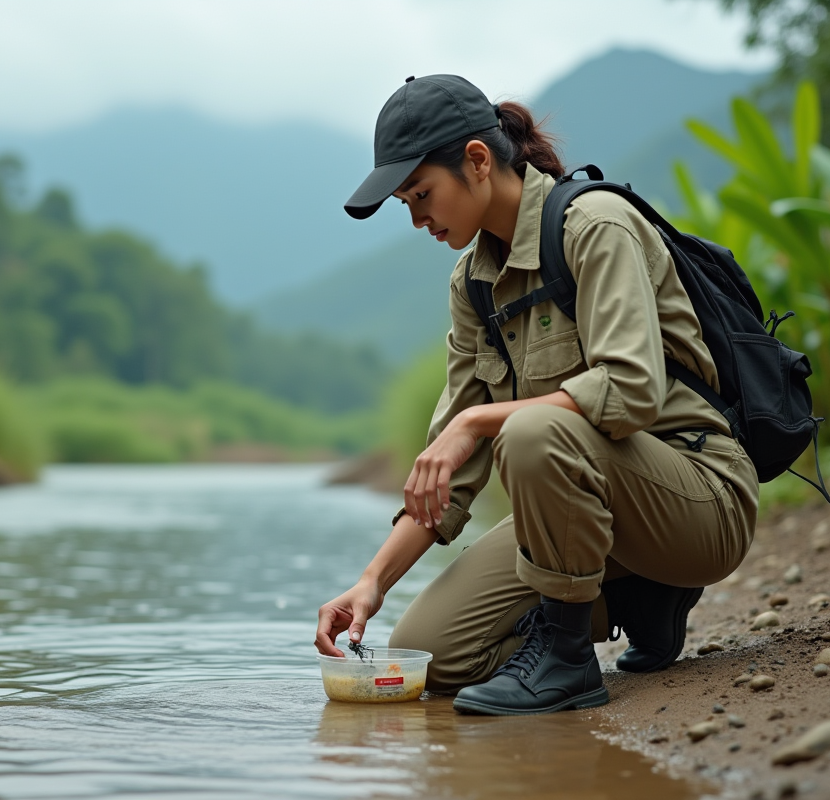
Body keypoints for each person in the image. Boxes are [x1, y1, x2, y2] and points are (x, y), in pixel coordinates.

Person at [313, 74, 759, 716]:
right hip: (585, 509)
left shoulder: (596, 225)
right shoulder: (472, 282)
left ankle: (568, 660)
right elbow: (451, 467)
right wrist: (370, 582)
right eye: (405, 205)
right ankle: (640, 602)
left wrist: (481, 419)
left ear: (476, 160)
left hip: (698, 497)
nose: (416, 219)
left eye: (420, 195)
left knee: (530, 432)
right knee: (432, 657)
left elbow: (630, 390)